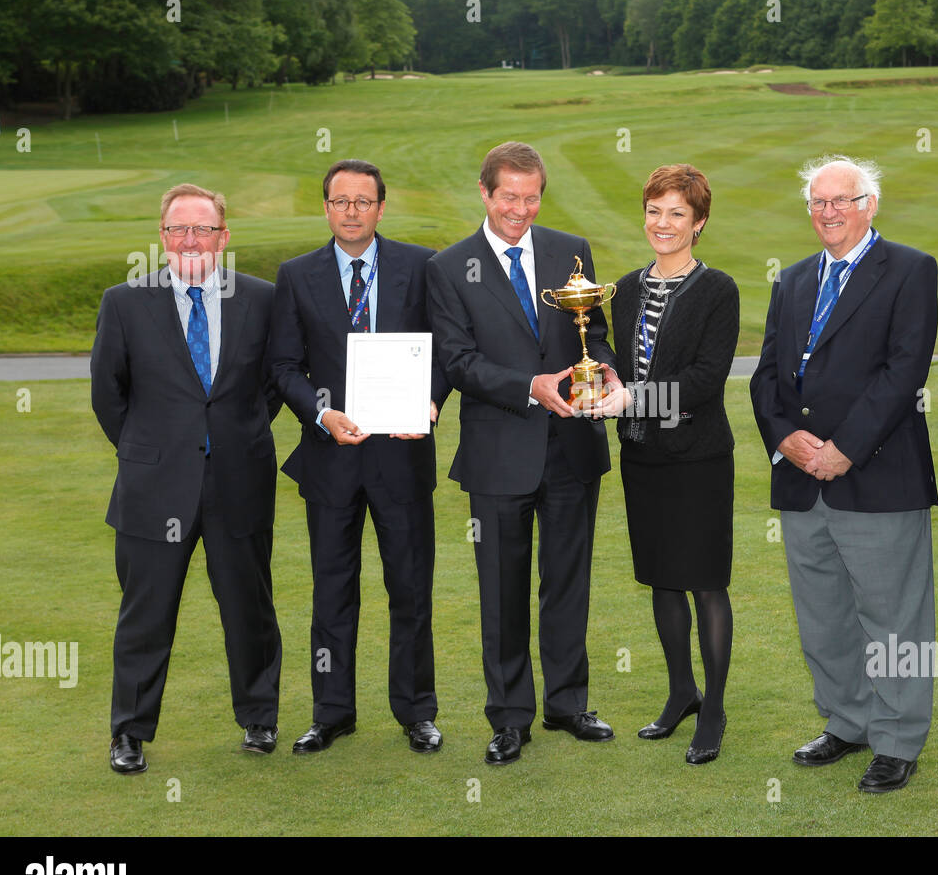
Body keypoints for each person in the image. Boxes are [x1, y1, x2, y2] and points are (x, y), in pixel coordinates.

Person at [427, 141, 621, 765]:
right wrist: (527, 388)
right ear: (485, 193)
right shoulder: (450, 267)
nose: (521, 209)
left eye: (531, 196)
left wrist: (609, 373)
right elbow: (456, 362)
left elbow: (596, 336)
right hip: (498, 456)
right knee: (502, 592)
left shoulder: (572, 250)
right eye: (509, 196)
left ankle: (568, 704)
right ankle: (510, 717)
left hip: (572, 449)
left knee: (567, 585)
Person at [749, 155, 938, 793]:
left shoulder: (910, 270)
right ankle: (848, 721)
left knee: (893, 618)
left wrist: (845, 449)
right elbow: (768, 375)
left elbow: (903, 372)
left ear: (870, 204)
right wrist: (786, 439)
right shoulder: (794, 279)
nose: (828, 212)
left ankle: (897, 738)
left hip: (876, 478)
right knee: (824, 617)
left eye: (842, 200)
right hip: (803, 481)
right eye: (818, 202)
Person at [91, 183, 283, 773]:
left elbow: (272, 386)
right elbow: (108, 395)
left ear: (224, 238)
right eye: (179, 229)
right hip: (154, 489)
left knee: (248, 607)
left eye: (203, 229)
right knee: (145, 615)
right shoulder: (124, 302)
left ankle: (258, 719)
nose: (191, 239)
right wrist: (153, 452)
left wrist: (235, 438)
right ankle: (130, 733)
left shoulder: (263, 299)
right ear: (163, 238)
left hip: (238, 481)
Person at [269, 159, 449, 756]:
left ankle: (416, 711)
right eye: (340, 201)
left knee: (411, 589)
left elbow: (448, 349)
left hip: (401, 457)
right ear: (326, 208)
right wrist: (321, 413)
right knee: (332, 592)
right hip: (331, 460)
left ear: (380, 207)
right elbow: (284, 367)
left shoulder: (421, 266)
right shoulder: (296, 276)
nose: (351, 211)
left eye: (363, 201)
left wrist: (430, 399)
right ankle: (332, 712)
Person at [595, 164, 738, 765]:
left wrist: (634, 396)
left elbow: (706, 379)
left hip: (698, 458)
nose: (663, 223)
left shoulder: (718, 290)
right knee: (660, 578)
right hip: (643, 456)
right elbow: (612, 348)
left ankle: (715, 708)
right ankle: (681, 692)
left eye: (677, 213)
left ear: (698, 223)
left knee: (705, 582)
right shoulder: (627, 287)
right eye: (655, 210)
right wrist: (603, 373)